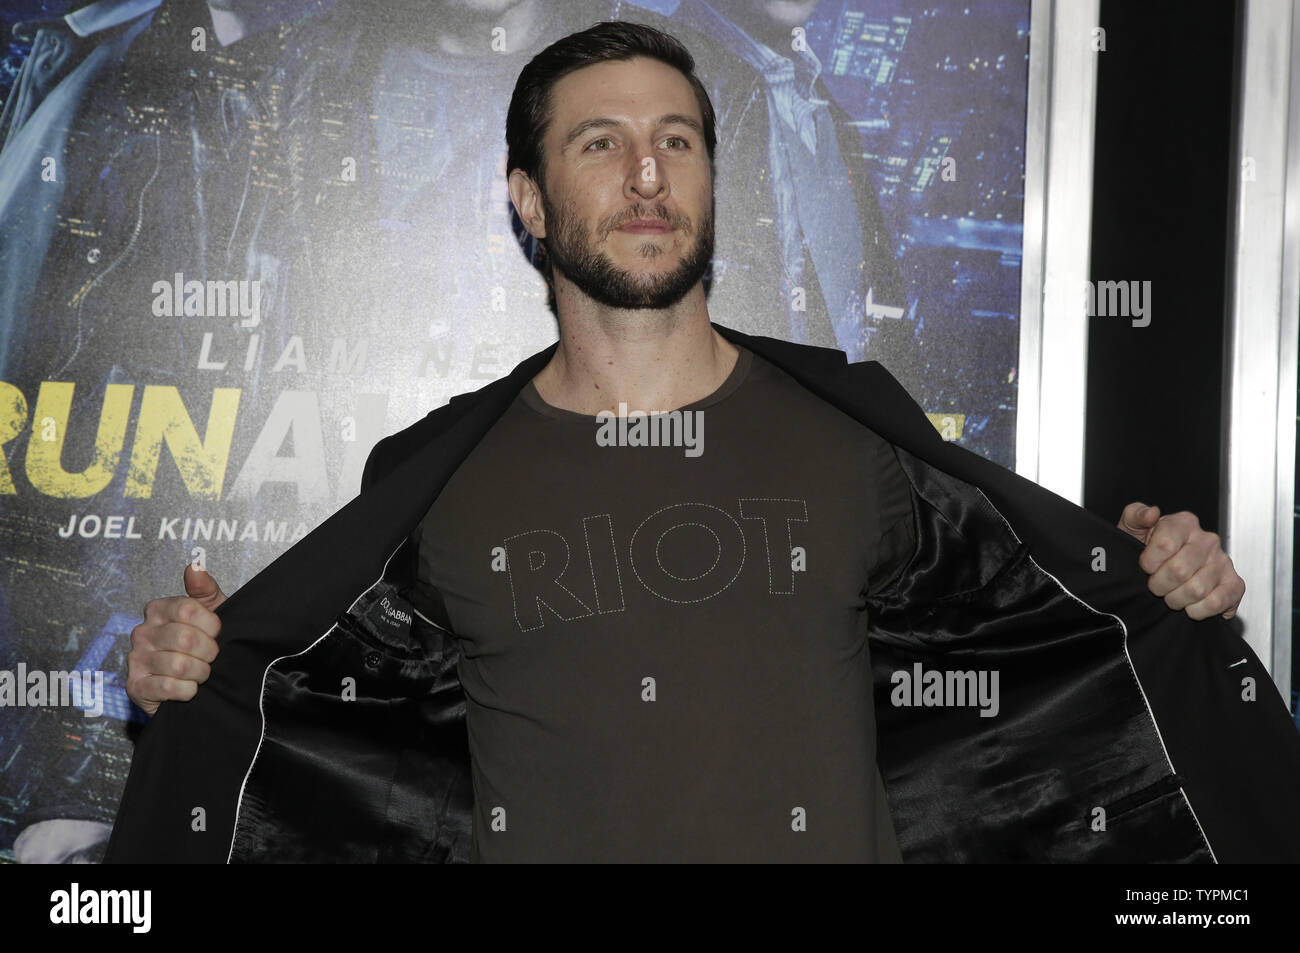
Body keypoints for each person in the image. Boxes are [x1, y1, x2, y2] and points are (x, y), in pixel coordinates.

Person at [114, 21, 1278, 865]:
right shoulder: (427, 478)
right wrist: (193, 671)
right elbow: (332, 746)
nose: (648, 173)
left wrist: (1162, 577)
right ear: (526, 199)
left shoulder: (856, 424)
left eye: (677, 140)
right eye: (600, 145)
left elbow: (1050, 637)